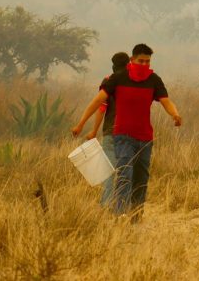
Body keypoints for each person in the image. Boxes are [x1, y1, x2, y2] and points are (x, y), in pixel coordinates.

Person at [71, 44, 182, 221]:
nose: (144, 65)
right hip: (122, 136)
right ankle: (120, 214)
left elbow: (166, 101)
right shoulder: (118, 78)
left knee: (141, 178)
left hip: (145, 138)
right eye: (141, 61)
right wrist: (81, 123)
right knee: (124, 173)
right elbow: (97, 102)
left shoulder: (154, 80)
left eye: (147, 61)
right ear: (132, 60)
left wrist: (175, 115)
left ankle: (136, 216)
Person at [84, 51, 129, 207]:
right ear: (128, 65)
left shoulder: (108, 82)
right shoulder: (134, 83)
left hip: (110, 133)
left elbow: (102, 108)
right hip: (129, 135)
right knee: (126, 172)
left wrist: (93, 131)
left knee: (108, 172)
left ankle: (106, 205)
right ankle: (123, 206)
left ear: (113, 66)